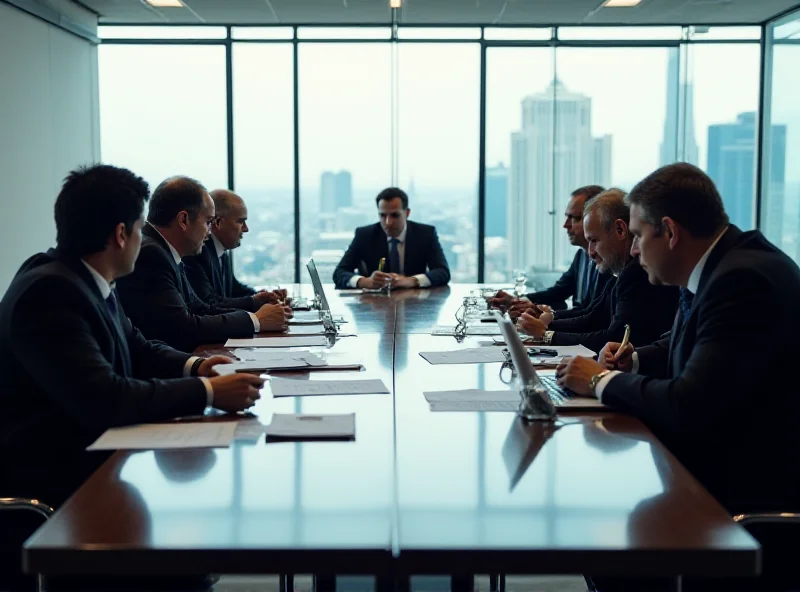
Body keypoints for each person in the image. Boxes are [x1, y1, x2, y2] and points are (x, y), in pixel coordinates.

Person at [0, 165, 265, 590]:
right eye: (142, 229)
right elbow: (105, 398)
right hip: (59, 483)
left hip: (98, 462)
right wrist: (208, 391)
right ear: (121, 234)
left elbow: (139, 347)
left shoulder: (83, 278)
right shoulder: (49, 293)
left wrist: (197, 366)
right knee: (188, 553)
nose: (145, 241)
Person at [556, 163, 800, 591]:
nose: (632, 252)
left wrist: (599, 382)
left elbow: (690, 406)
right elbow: (682, 340)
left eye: (637, 236)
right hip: (713, 463)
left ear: (668, 232)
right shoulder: (725, 264)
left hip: (746, 491)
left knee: (606, 531)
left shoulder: (742, 281)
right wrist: (631, 361)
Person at [116, 176, 290, 352]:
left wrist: (254, 314)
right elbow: (184, 327)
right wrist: (255, 320)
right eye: (208, 222)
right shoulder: (153, 254)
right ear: (183, 220)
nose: (210, 231)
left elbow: (200, 308)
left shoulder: (166, 251)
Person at [516, 189, 678, 353]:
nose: (590, 252)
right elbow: (594, 315)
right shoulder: (623, 269)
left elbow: (615, 337)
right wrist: (547, 323)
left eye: (594, 241)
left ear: (620, 230)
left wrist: (547, 335)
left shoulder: (636, 272)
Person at [492, 185, 612, 312]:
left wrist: (547, 319)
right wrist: (517, 302)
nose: (565, 225)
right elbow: (558, 292)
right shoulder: (581, 255)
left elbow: (593, 317)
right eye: (567, 217)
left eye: (575, 218)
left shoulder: (610, 262)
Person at [183, 189, 286, 312]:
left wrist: (265, 297)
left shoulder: (220, 249)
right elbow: (208, 303)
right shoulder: (198, 252)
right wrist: (254, 301)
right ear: (218, 222)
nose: (246, 229)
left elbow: (234, 289)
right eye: (241, 221)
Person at [333, 187, 450, 289]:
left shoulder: (425, 234)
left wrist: (411, 281)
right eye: (383, 215)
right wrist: (366, 282)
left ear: (407, 213)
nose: (388, 222)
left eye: (395, 215)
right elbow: (339, 273)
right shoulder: (365, 235)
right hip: (374, 306)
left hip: (415, 304)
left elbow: (442, 272)